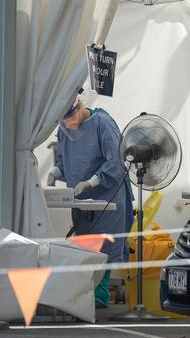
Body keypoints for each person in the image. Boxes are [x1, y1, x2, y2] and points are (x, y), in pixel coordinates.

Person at [47, 98, 134, 308]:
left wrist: (92, 181)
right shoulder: (64, 128)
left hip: (108, 196)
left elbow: (116, 161)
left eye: (71, 119)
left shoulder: (102, 123)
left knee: (105, 246)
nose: (70, 126)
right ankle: (84, 291)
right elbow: (64, 157)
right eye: (64, 122)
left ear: (79, 107)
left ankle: (100, 293)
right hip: (81, 200)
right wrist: (56, 171)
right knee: (85, 244)